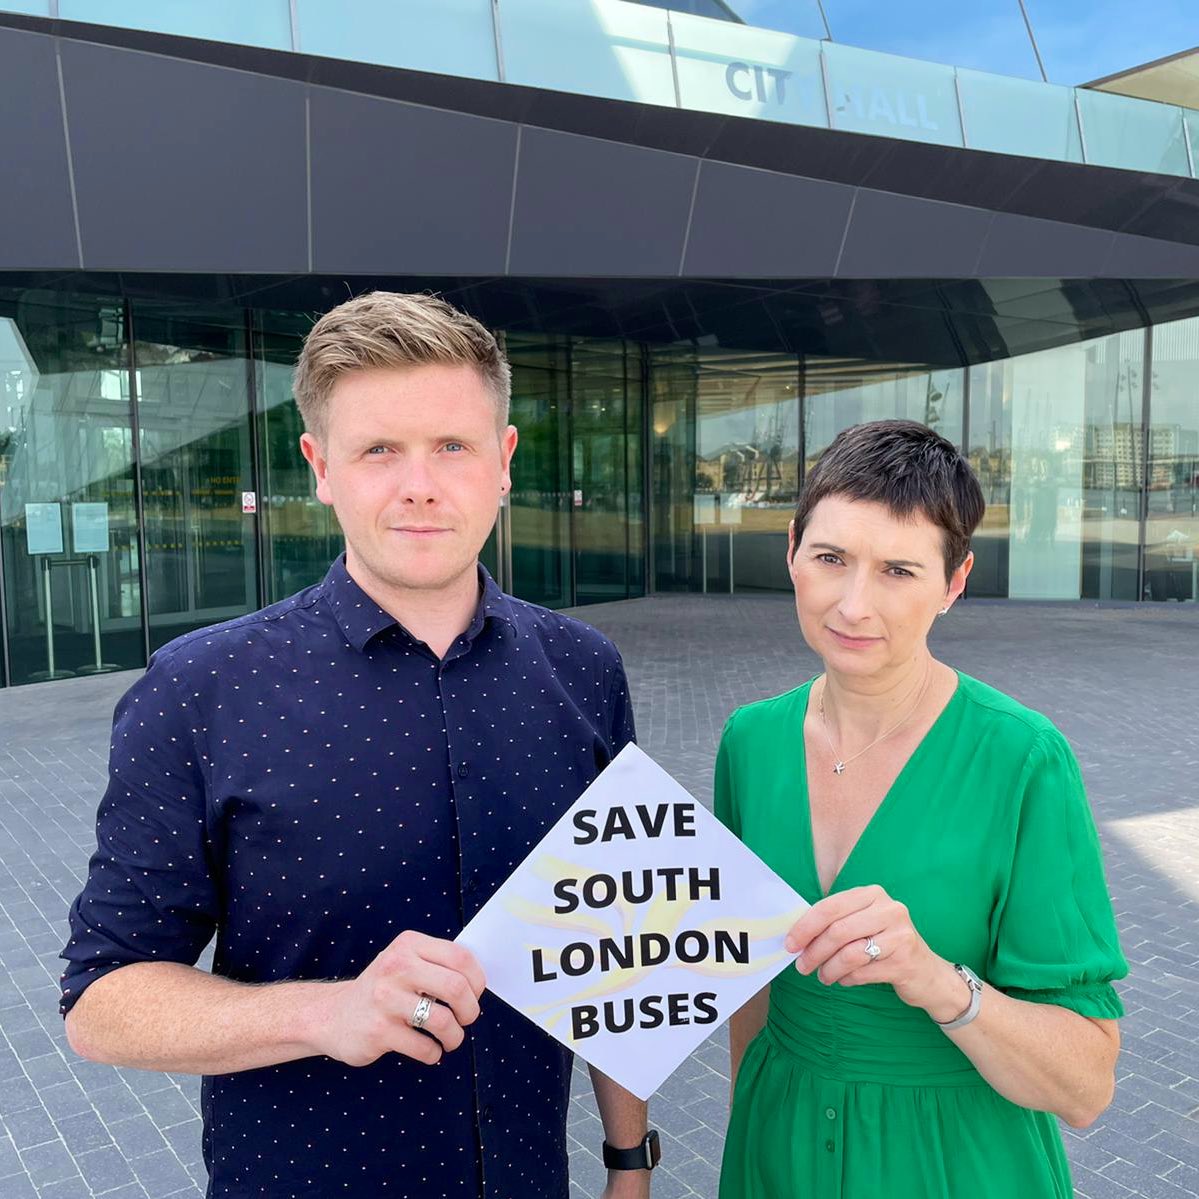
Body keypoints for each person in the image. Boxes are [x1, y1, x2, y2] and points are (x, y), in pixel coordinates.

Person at [60, 292, 657, 1199]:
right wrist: (327, 1010)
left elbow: (621, 949)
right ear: (320, 467)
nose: (419, 483)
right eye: (379, 449)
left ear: (503, 460)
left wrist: (628, 1161)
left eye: (451, 445)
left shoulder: (584, 670)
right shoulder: (199, 688)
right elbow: (102, 1001)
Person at [715, 420, 1126, 1199]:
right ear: (792, 549)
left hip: (955, 1164)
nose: (852, 605)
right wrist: (747, 1126)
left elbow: (1086, 1085)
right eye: (830, 558)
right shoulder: (750, 739)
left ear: (953, 581)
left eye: (898, 570)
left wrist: (934, 978)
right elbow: (749, 983)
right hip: (777, 1150)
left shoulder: (1022, 760)